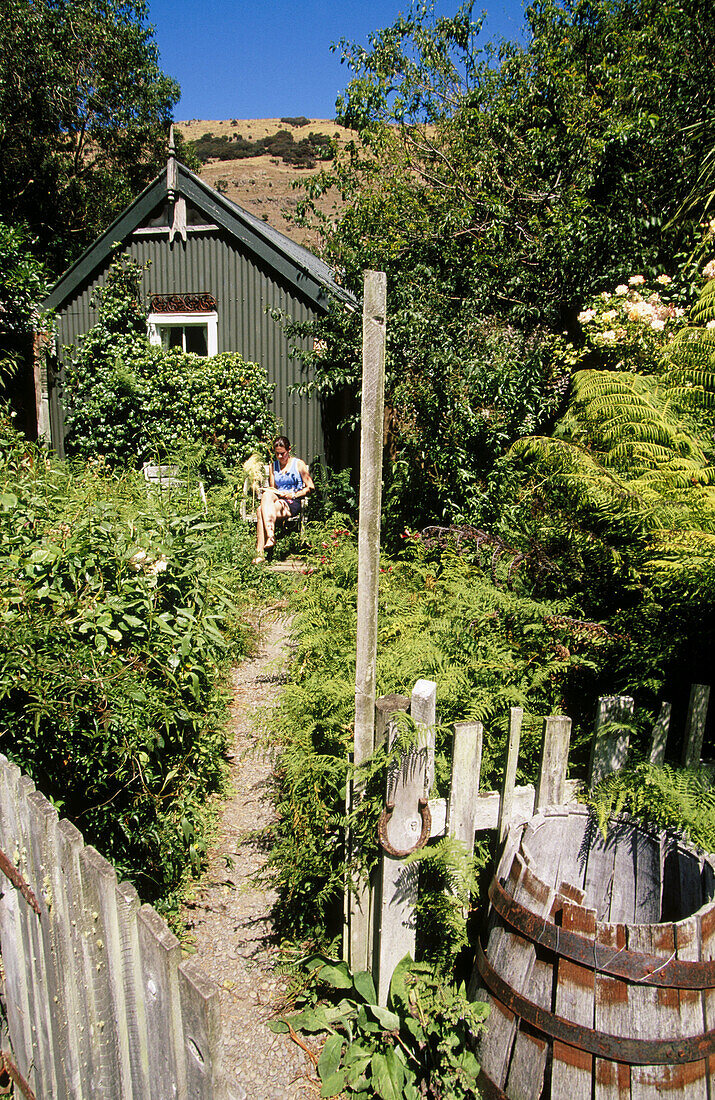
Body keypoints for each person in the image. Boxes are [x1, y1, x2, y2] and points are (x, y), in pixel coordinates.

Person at [254, 436, 314, 562]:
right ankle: (270, 537)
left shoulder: (298, 464)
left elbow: (311, 487)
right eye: (277, 454)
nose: (280, 457)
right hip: (277, 499)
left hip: (292, 501)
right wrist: (271, 492)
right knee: (266, 495)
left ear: (289, 450)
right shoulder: (273, 466)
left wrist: (293, 495)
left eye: (282, 454)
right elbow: (273, 488)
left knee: (260, 511)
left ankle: (260, 554)